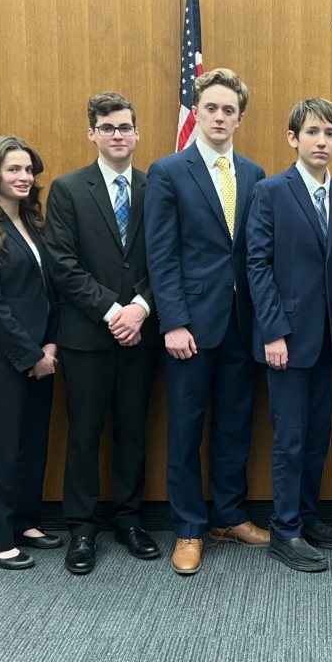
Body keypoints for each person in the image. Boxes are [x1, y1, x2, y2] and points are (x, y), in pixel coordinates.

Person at [145, 68, 269, 575]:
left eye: (229, 110)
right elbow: (161, 253)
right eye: (212, 108)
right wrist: (173, 320)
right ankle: (189, 528)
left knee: (236, 425)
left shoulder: (257, 174)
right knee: (186, 429)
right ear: (197, 112)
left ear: (241, 117)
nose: (220, 117)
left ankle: (229, 515)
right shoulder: (169, 171)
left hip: (242, 323)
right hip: (190, 326)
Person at [43, 92, 162, 576]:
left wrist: (141, 306)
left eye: (125, 127)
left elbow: (166, 258)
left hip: (142, 332)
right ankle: (83, 528)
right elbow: (62, 265)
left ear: (137, 133)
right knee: (85, 435)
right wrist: (113, 311)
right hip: (88, 336)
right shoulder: (68, 189)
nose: (118, 135)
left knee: (133, 432)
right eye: (108, 127)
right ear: (91, 132)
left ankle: (130, 521)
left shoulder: (156, 187)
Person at [246, 98, 332, 573]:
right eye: (312, 132)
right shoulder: (270, 191)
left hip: (329, 339)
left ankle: (308, 516)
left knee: (316, 436)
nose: (321, 141)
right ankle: (285, 529)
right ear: (293, 138)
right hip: (285, 339)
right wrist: (273, 331)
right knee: (290, 437)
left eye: (330, 133)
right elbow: (257, 264)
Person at [0, 136, 60, 570]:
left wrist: (51, 345)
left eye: (28, 170)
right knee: (3, 443)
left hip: (43, 351)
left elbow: (49, 292)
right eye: (13, 169)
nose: (23, 177)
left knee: (33, 440)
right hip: (3, 353)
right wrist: (30, 353)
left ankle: (24, 521)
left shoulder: (35, 225)